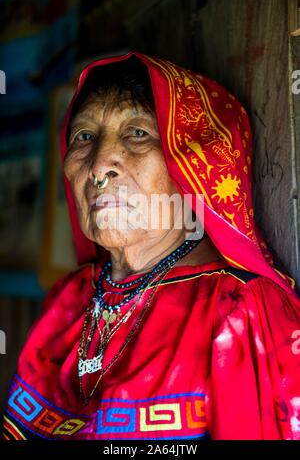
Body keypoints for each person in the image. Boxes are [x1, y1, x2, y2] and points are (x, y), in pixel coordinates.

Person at [2, 52, 300, 441]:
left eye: (137, 133)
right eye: (84, 137)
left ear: (192, 163)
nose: (99, 165)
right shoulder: (70, 299)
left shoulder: (239, 313)